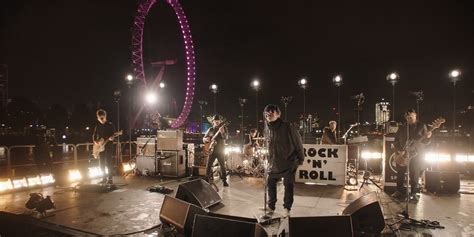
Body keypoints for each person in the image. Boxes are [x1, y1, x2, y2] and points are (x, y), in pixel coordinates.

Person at [263, 104, 304, 216]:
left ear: (278, 114)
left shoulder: (288, 126)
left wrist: (301, 158)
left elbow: (298, 142)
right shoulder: (268, 128)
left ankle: (287, 208)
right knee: (270, 182)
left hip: (289, 161)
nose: (268, 114)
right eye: (267, 113)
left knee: (288, 185)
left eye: (272, 112)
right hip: (274, 162)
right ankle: (271, 206)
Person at [392, 109, 431, 201]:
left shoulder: (421, 126)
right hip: (404, 153)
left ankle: (414, 193)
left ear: (415, 115)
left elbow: (426, 142)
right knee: (400, 173)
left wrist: (428, 137)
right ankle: (399, 191)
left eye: (412, 116)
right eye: (408, 117)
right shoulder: (401, 127)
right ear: (406, 118)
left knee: (414, 174)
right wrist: (399, 151)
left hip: (416, 154)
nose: (410, 118)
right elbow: (396, 140)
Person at [203, 114, 229, 187]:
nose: (217, 122)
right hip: (212, 150)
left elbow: (226, 138)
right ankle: (206, 180)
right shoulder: (210, 129)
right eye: (215, 121)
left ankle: (224, 180)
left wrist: (222, 132)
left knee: (222, 166)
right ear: (213, 122)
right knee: (208, 165)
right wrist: (205, 139)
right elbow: (204, 138)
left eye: (218, 121)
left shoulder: (224, 128)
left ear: (220, 121)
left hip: (220, 150)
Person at [93, 109, 117, 185]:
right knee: (101, 163)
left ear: (105, 116)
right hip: (100, 147)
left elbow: (114, 135)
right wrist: (95, 141)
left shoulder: (110, 125)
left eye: (102, 118)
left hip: (108, 146)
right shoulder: (97, 126)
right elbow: (94, 135)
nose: (101, 120)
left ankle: (110, 179)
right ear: (98, 118)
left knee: (109, 163)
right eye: (100, 118)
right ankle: (104, 178)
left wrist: (111, 138)